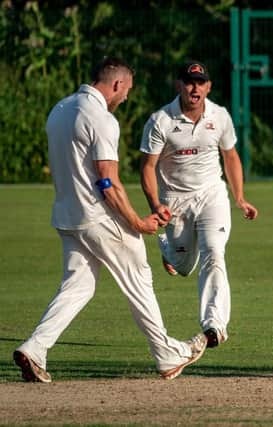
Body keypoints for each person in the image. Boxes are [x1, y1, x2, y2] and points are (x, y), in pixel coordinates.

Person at [13, 57, 207, 383]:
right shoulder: (101, 118)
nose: (126, 97)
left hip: (67, 216)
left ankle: (35, 348)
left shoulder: (60, 109)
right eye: (127, 90)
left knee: (79, 286)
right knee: (138, 276)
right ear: (116, 84)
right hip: (97, 216)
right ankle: (167, 354)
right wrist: (137, 222)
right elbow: (107, 181)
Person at [139, 60, 258, 349]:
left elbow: (230, 157)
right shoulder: (161, 120)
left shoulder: (219, 116)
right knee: (183, 266)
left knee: (214, 253)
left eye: (200, 82)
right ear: (179, 85)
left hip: (211, 195)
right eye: (189, 82)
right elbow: (147, 167)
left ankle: (214, 325)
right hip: (175, 200)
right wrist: (156, 204)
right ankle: (169, 250)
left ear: (208, 87)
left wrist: (239, 197)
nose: (195, 87)